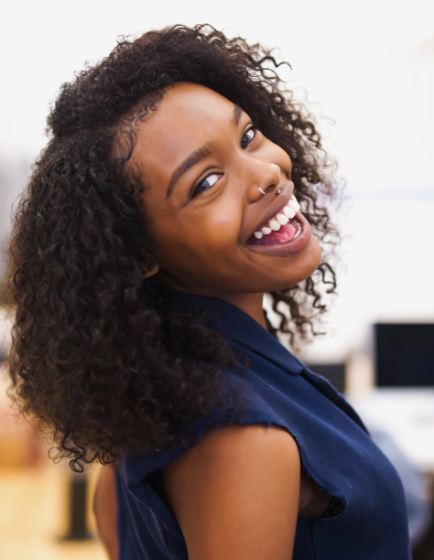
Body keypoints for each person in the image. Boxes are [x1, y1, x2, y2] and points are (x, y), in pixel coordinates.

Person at [5, 23, 412, 559]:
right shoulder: (245, 437)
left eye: (247, 137)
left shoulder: (154, 393)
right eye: (205, 182)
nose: (265, 173)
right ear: (141, 253)